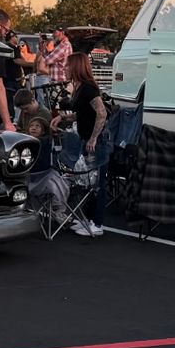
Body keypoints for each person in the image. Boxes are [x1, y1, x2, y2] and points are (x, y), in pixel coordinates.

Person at [61, 51, 109, 234]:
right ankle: (88, 219)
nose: (65, 68)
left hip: (97, 142)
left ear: (76, 67)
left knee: (98, 182)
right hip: (85, 138)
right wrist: (64, 119)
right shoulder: (79, 88)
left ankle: (97, 224)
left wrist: (94, 137)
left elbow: (101, 112)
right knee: (87, 181)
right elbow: (83, 112)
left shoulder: (89, 88)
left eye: (68, 65)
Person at [34, 28, 71, 102]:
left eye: (55, 32)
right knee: (55, 107)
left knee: (59, 108)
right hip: (57, 83)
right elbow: (46, 56)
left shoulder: (64, 45)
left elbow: (48, 60)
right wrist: (42, 44)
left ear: (62, 32)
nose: (53, 35)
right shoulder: (60, 45)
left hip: (60, 83)